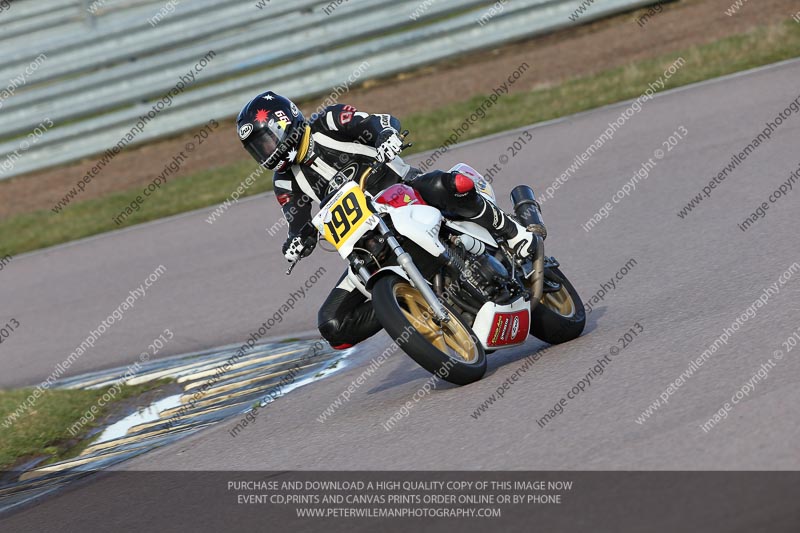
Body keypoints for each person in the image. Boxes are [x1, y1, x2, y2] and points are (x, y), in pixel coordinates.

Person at [236, 91, 539, 349]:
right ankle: (410, 308)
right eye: (257, 149)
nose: (266, 152)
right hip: (367, 241)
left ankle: (514, 233)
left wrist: (386, 137)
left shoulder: (328, 121)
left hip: (403, 192)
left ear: (283, 123)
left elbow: (378, 122)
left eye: (266, 141)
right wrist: (297, 241)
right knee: (333, 324)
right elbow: (296, 220)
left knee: (450, 184)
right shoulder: (284, 181)